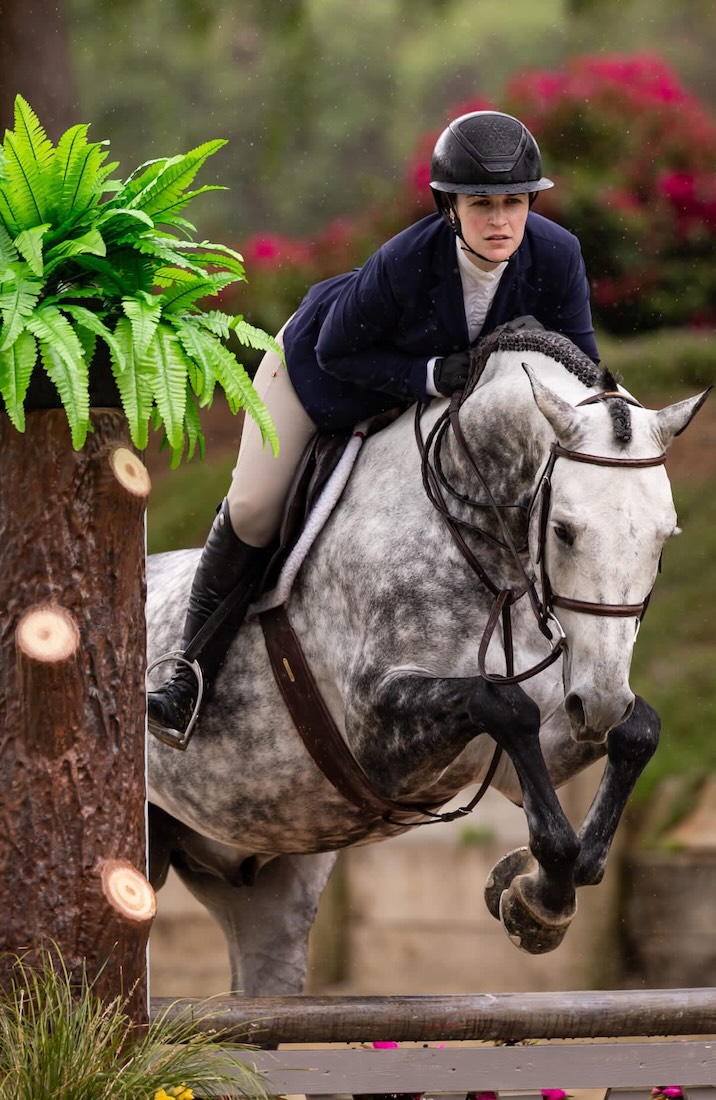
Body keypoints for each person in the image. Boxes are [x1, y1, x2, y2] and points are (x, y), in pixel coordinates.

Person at [148, 109, 600, 748]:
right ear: (450, 209)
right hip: (323, 377)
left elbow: (580, 366)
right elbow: (336, 352)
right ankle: (186, 679)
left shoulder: (557, 255)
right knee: (254, 509)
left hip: (430, 405)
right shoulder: (406, 261)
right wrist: (432, 374)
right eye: (481, 204)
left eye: (514, 202)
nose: (500, 221)